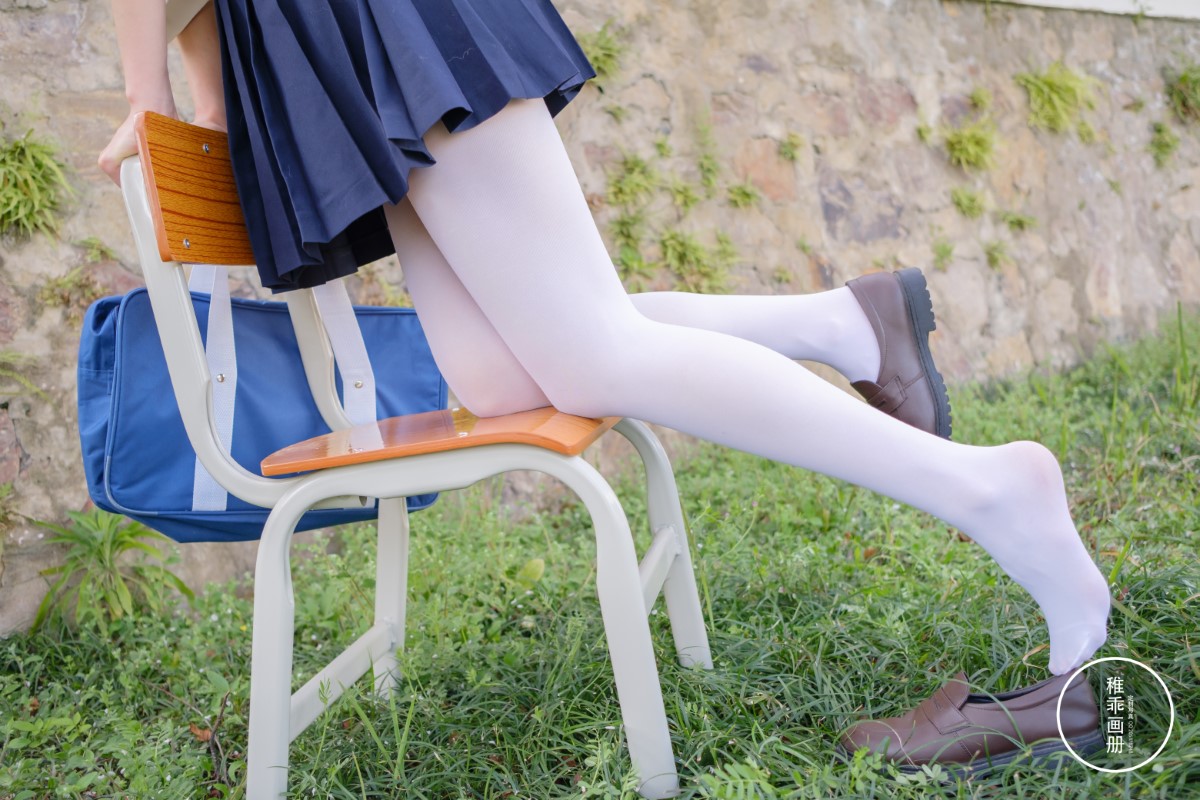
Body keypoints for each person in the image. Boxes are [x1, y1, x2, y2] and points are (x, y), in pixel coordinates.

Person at [99, 0, 1111, 773]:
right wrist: (210, 96)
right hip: (322, 46)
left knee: (590, 350)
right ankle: (841, 324)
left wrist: (147, 92)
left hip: (372, 24)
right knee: (503, 377)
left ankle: (990, 487)